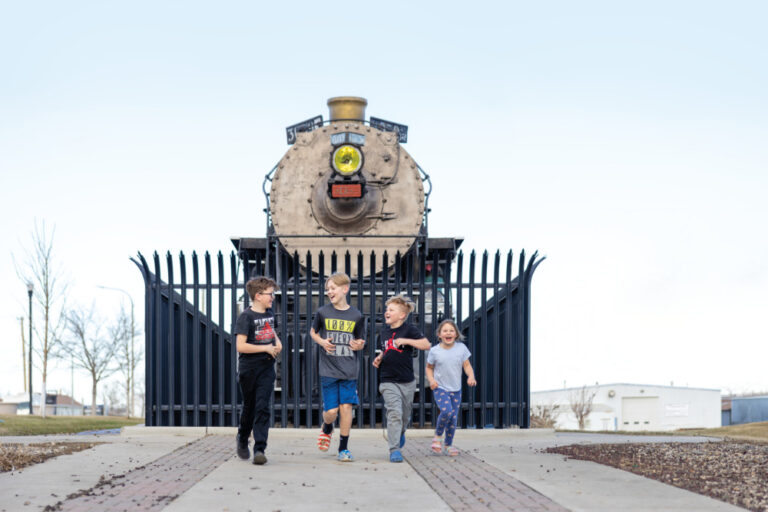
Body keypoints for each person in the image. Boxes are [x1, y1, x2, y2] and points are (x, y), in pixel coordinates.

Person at [310, 272, 366, 462]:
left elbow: (361, 340)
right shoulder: (322, 312)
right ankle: (327, 427)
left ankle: (344, 448)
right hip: (328, 369)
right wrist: (322, 342)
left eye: (332, 288)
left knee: (346, 407)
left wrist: (360, 345)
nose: (329, 292)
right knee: (332, 412)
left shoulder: (356, 315)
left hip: (349, 369)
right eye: (327, 289)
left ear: (345, 289)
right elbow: (312, 332)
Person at [372, 295, 430, 463]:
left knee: (404, 416)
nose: (386, 312)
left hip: (407, 381)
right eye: (386, 310)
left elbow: (426, 344)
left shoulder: (409, 330)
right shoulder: (384, 332)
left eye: (391, 310)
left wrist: (405, 341)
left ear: (402, 315)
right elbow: (387, 348)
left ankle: (401, 432)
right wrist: (380, 357)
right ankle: (394, 449)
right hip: (388, 380)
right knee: (394, 413)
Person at [235, 276, 282, 465]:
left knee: (263, 407)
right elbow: (241, 346)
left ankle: (260, 449)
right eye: (270, 294)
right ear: (258, 295)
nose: (272, 297)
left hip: (266, 367)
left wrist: (277, 343)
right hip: (249, 369)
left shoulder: (269, 314)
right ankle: (242, 437)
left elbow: (272, 332)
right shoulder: (246, 317)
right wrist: (264, 348)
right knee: (250, 407)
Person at [426, 319, 476, 456]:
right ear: (440, 335)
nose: (448, 333)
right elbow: (429, 368)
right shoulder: (434, 351)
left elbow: (466, 365)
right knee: (447, 411)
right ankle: (437, 437)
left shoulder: (461, 348)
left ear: (456, 334)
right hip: (440, 387)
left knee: (453, 418)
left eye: (451, 330)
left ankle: (448, 445)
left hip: (456, 389)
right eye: (445, 331)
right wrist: (431, 380)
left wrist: (471, 376)